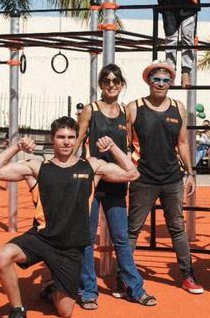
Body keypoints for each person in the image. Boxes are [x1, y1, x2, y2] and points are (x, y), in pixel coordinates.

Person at [0, 116, 138, 318]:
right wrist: (16, 147)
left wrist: (112, 148)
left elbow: (132, 174)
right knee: (4, 255)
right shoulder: (39, 166)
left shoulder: (91, 166)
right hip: (42, 239)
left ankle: (51, 290)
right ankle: (17, 309)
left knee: (65, 312)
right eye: (61, 137)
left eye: (71, 137)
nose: (66, 141)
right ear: (52, 139)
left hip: (71, 248)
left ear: (77, 140)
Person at [74, 64, 156, 309]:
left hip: (116, 185)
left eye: (116, 81)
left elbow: (136, 142)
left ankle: (135, 288)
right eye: (107, 80)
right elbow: (77, 143)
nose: (111, 84)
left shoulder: (125, 112)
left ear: (121, 84)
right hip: (92, 183)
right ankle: (88, 290)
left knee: (121, 238)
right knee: (87, 239)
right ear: (101, 84)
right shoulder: (91, 110)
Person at [126, 61, 203, 294]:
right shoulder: (134, 107)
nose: (160, 84)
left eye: (165, 80)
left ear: (171, 83)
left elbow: (182, 143)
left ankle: (188, 276)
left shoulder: (178, 107)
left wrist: (190, 172)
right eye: (156, 79)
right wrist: (129, 170)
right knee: (133, 229)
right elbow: (126, 144)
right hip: (143, 178)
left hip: (171, 178)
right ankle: (126, 276)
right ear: (149, 81)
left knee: (177, 228)